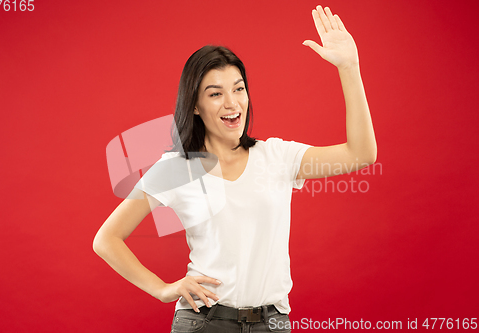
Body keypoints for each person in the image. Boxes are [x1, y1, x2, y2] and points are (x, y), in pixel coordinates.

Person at [93, 5, 377, 333]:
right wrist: (162, 289)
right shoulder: (178, 168)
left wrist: (350, 68)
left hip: (271, 324)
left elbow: (361, 154)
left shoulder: (277, 156)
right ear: (195, 106)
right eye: (216, 94)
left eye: (239, 89)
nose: (232, 103)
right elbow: (106, 239)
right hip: (204, 322)